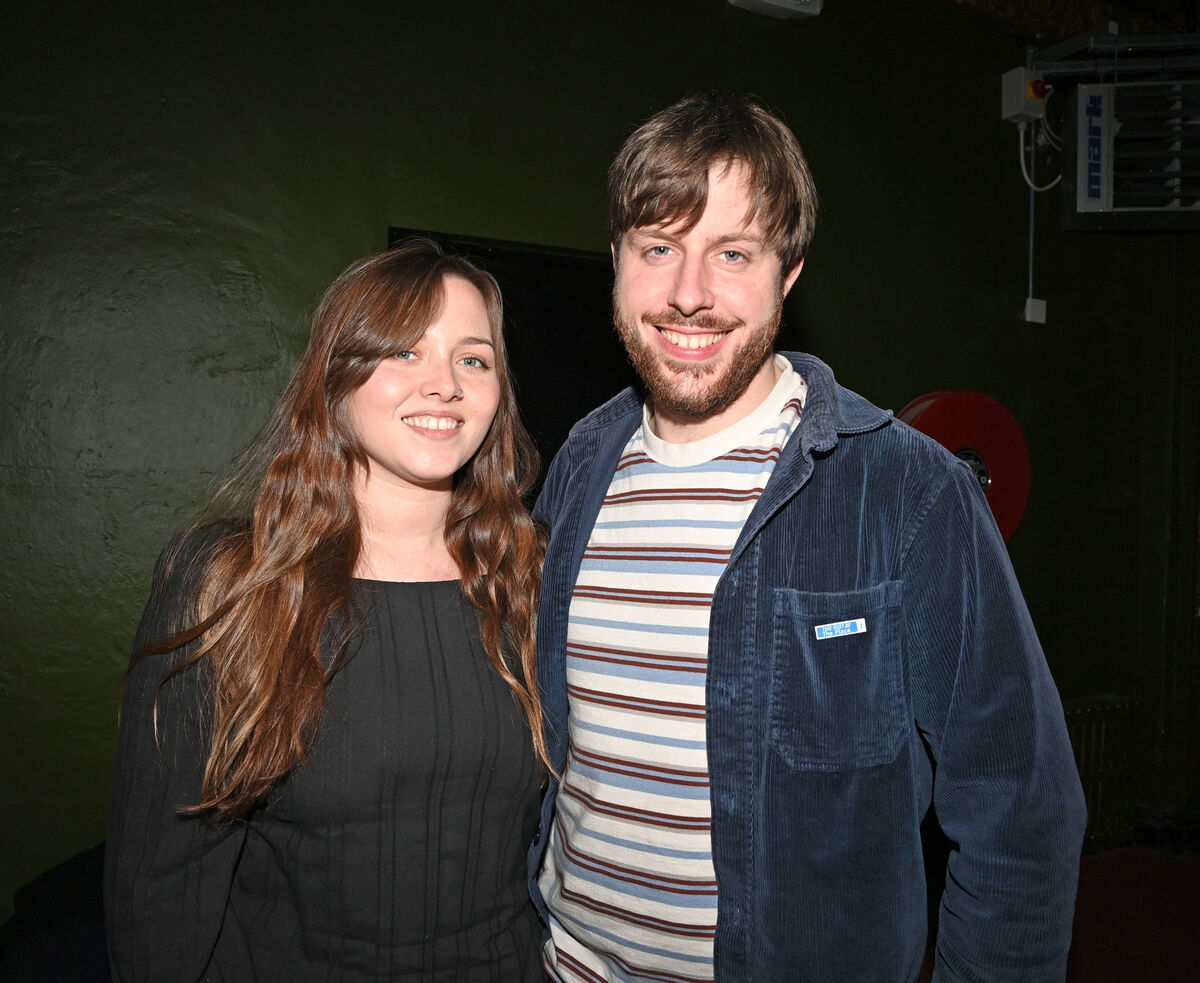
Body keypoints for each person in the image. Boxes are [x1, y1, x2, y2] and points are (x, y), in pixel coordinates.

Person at [528, 92, 1087, 982]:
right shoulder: (582, 463)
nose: (687, 293)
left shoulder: (909, 490)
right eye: (658, 248)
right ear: (618, 259)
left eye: (732, 253)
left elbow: (1022, 811)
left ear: (788, 275)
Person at [105, 239, 548, 982]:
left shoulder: (531, 579)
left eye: (473, 359)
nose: (443, 384)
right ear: (335, 377)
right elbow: (158, 889)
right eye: (404, 352)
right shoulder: (230, 581)